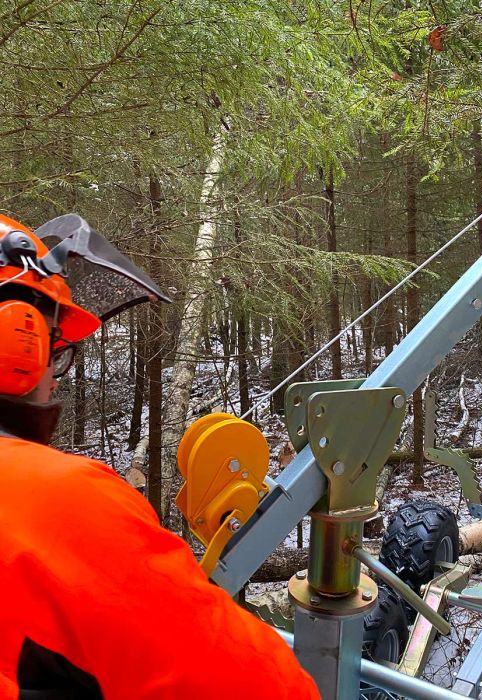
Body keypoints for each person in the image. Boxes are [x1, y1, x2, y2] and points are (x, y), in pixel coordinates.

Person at [0, 214, 319, 699]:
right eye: (54, 349)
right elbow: (262, 687)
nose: (56, 377)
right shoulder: (59, 501)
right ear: (17, 345)